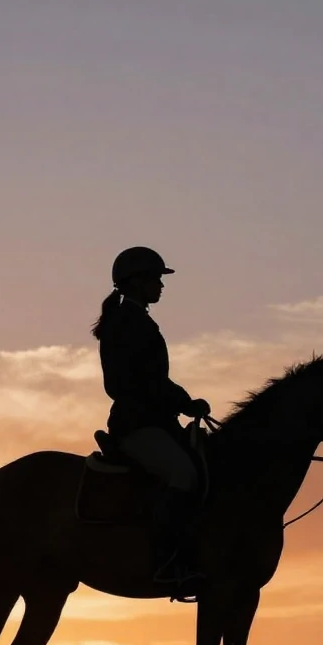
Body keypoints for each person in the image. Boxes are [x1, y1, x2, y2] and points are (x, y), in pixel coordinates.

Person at [91, 246, 211, 584]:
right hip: (137, 424)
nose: (161, 285)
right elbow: (130, 382)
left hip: (157, 421)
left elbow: (154, 380)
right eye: (155, 279)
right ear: (135, 282)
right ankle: (163, 562)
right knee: (183, 476)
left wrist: (182, 403)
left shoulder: (138, 320)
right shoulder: (124, 323)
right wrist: (183, 401)